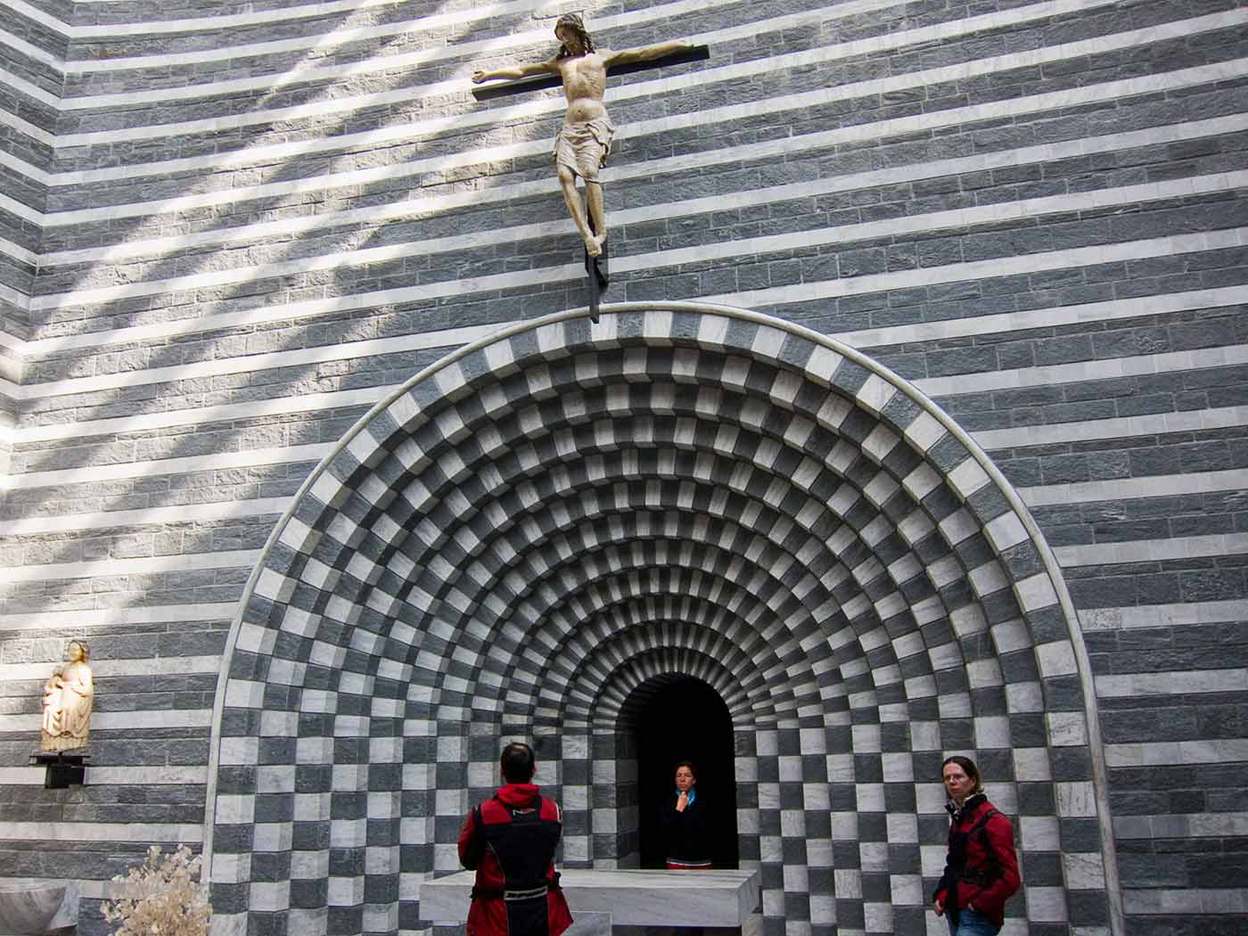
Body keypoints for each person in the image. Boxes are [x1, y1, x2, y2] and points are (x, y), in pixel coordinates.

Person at [472, 14, 692, 257]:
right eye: (560, 36)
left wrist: (678, 46)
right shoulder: (560, 63)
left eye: (566, 33)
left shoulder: (602, 57)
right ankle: (588, 235)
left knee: (589, 172)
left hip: (594, 123)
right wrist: (490, 74)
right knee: (564, 175)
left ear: (577, 31)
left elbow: (641, 53)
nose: (564, 39)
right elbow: (522, 70)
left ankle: (601, 232)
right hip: (570, 127)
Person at [458, 742, 573, 936]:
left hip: (496, 916)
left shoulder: (484, 813)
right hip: (543, 911)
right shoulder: (552, 811)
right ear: (534, 769)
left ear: (502, 771)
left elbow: (468, 860)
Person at [933, 755, 1021, 935]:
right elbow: (954, 864)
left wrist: (979, 904)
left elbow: (1011, 878)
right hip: (955, 909)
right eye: (947, 778)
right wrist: (941, 895)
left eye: (958, 776)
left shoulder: (994, 821)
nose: (952, 782)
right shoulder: (960, 817)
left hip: (978, 915)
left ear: (972, 780)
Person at [40, 639, 94, 752]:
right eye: (70, 650)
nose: (72, 652)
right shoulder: (65, 668)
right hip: (61, 697)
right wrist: (56, 681)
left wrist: (69, 686)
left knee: (68, 705)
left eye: (75, 650)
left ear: (82, 652)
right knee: (50, 709)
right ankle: (52, 740)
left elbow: (87, 690)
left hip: (73, 699)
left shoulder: (83, 669)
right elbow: (56, 681)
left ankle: (68, 735)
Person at [660, 760, 711, 869]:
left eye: (687, 775)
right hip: (676, 860)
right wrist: (679, 809)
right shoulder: (667, 802)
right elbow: (665, 830)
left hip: (701, 860)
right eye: (679, 776)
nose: (682, 779)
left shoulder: (704, 802)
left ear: (694, 780)